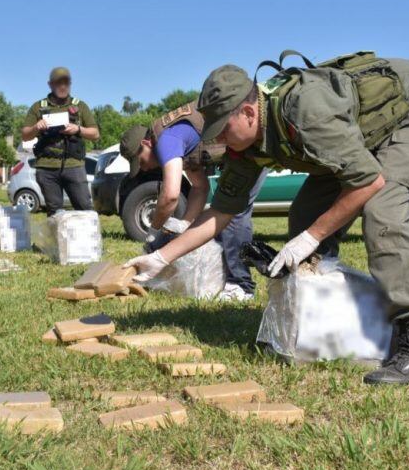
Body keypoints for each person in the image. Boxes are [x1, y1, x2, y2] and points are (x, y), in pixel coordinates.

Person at [126, 52, 409, 385]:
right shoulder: (244, 149)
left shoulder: (305, 110)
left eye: (222, 131)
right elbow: (221, 212)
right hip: (352, 135)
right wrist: (160, 257)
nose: (217, 141)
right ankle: (332, 323)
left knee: (383, 216)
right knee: (304, 215)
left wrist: (311, 238)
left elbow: (368, 181)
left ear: (250, 112)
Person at [119, 103, 267, 301]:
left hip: (251, 149)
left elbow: (170, 195)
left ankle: (241, 285)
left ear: (146, 143)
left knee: (234, 213)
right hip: (239, 153)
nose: (144, 168)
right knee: (224, 213)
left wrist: (153, 234)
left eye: (141, 161)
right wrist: (184, 225)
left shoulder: (167, 141)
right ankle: (226, 278)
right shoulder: (179, 140)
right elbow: (199, 187)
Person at [21, 67, 100, 215]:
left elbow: (95, 134)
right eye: (58, 83)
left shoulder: (80, 106)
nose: (63, 86)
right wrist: (36, 127)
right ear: (50, 84)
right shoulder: (38, 107)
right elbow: (25, 135)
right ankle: (58, 238)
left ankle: (88, 238)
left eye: (66, 82)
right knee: (55, 212)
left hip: (73, 165)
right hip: (46, 167)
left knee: (84, 209)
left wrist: (78, 129)